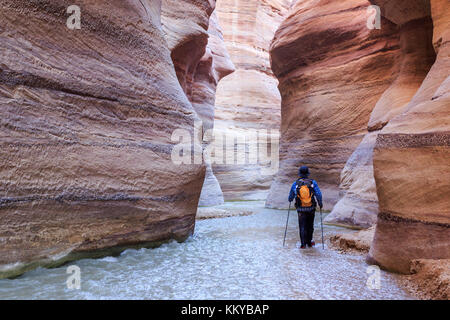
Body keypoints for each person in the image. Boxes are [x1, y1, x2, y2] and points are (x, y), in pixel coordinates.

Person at [288, 166, 323, 249]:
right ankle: (309, 243)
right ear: (308, 174)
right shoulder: (312, 183)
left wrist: (290, 200)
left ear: (299, 174)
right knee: (310, 226)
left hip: (300, 209)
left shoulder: (295, 184)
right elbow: (318, 194)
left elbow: (290, 196)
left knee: (302, 226)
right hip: (311, 208)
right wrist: (320, 203)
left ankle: (303, 245)